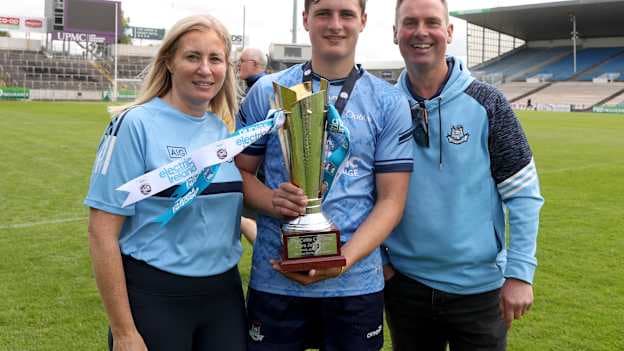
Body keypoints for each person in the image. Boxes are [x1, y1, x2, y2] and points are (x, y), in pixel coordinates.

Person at [235, 0, 414, 350]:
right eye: (323, 13)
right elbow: (237, 175)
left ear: (362, 21)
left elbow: (392, 200)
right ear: (306, 19)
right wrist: (271, 201)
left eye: (346, 14)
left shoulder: (388, 102)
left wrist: (343, 260)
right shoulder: (267, 92)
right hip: (276, 279)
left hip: (356, 285)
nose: (335, 24)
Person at [383, 0, 545, 350]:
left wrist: (519, 273)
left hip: (479, 291)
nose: (421, 32)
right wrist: (381, 262)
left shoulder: (488, 102)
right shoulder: (383, 106)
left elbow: (524, 193)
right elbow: (364, 192)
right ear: (395, 32)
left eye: (432, 22)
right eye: (409, 22)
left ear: (449, 32)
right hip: (405, 287)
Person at [85, 15, 246, 351]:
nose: (205, 69)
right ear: (169, 62)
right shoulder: (134, 125)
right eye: (192, 56)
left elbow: (217, 208)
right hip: (155, 298)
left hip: (224, 299)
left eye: (215, 59)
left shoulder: (223, 131)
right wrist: (125, 332)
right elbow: (101, 233)